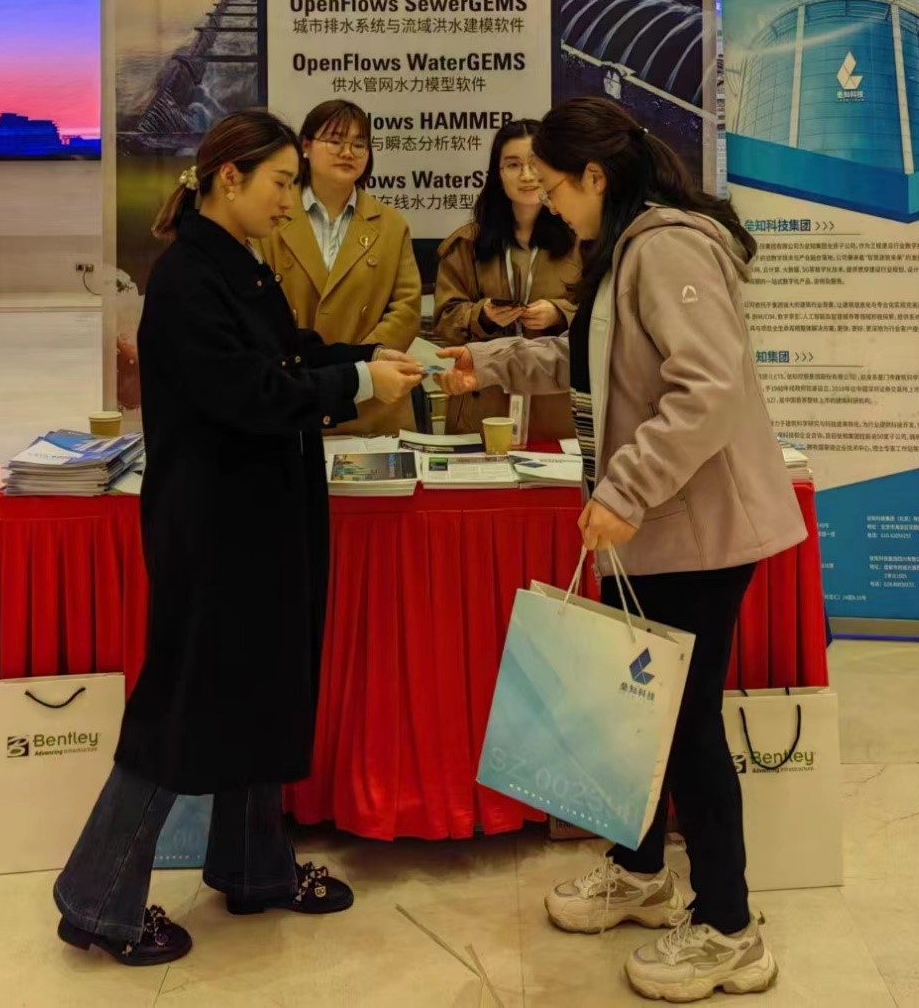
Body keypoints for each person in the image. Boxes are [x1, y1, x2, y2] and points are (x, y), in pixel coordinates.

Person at [438, 96, 804, 1004]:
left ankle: (730, 931)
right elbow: (596, 364)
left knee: (684, 727)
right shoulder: (625, 247)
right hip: (652, 530)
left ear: (595, 176)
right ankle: (641, 873)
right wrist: (485, 363)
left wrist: (625, 488)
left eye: (556, 184)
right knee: (642, 716)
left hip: (695, 532)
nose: (548, 201)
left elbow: (707, 389)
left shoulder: (666, 246)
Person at [53, 110, 423, 967]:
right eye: (281, 182)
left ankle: (255, 865)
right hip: (215, 528)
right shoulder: (188, 279)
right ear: (230, 178)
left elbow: (293, 353)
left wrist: (377, 357)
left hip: (262, 518)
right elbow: (253, 392)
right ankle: (97, 899)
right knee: (181, 705)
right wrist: (357, 380)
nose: (290, 200)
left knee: (264, 687)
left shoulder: (240, 265)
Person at [260, 100, 422, 435]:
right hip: (297, 392)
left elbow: (406, 308)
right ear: (306, 146)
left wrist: (362, 366)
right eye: (335, 141)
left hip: (375, 400)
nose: (347, 152)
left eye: (359, 144)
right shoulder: (272, 216)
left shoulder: (390, 224)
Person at [433, 119, 581, 441]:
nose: (526, 176)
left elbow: (603, 319)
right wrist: (482, 315)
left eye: (535, 164)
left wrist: (560, 313)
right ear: (497, 174)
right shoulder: (467, 244)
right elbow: (444, 320)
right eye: (513, 165)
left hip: (554, 406)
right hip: (482, 399)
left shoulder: (581, 242)